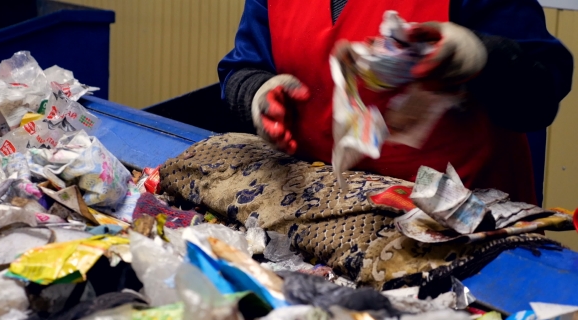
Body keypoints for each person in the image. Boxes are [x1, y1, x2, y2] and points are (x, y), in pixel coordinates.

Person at [218, 0, 573, 204]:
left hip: (458, 229)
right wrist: (257, 93)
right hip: (320, 215)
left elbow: (541, 94)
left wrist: (484, 56)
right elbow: (243, 67)